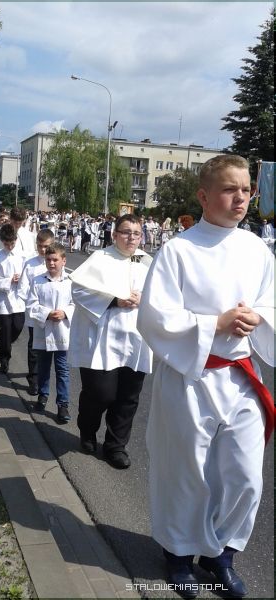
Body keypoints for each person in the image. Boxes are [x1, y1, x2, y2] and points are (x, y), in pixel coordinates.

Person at [137, 155, 275, 598]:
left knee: (245, 475)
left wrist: (259, 317)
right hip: (191, 376)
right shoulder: (179, 250)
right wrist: (215, 324)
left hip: (241, 377)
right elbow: (154, 317)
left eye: (246, 190)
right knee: (187, 472)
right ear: (203, 195)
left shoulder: (257, 249)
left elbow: (271, 301)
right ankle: (178, 553)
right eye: (230, 189)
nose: (241, 198)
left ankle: (222, 554)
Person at [68, 214, 153, 469]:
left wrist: (145, 298)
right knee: (100, 393)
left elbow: (163, 295)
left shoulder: (146, 261)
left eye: (136, 233)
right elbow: (79, 290)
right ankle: (87, 428)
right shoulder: (100, 258)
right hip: (102, 340)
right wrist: (115, 300)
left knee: (128, 397)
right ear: (114, 234)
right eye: (126, 232)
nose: (131, 238)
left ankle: (115, 446)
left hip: (136, 340)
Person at [27, 243, 74, 424]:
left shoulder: (70, 281)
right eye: (48, 260)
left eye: (55, 260)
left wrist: (65, 313)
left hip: (63, 332)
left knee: (62, 370)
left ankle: (63, 404)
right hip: (44, 330)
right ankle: (43, 395)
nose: (52, 263)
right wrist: (47, 313)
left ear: (63, 261)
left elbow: (76, 304)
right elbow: (31, 304)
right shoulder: (38, 281)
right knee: (43, 367)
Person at [18, 229, 55, 396]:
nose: (43, 250)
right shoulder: (30, 264)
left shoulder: (55, 263)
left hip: (52, 314)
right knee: (34, 346)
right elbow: (22, 288)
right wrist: (34, 303)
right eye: (40, 246)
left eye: (46, 246)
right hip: (35, 312)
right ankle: (33, 379)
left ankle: (44, 379)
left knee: (50, 347)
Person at [0, 223, 26, 374]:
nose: (9, 247)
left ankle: (6, 344)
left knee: (18, 326)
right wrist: (9, 280)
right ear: (2, 242)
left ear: (16, 240)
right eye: (6, 244)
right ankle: (4, 359)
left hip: (19, 298)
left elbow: (28, 274)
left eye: (12, 243)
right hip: (3, 298)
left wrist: (21, 278)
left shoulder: (22, 256)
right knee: (5, 329)